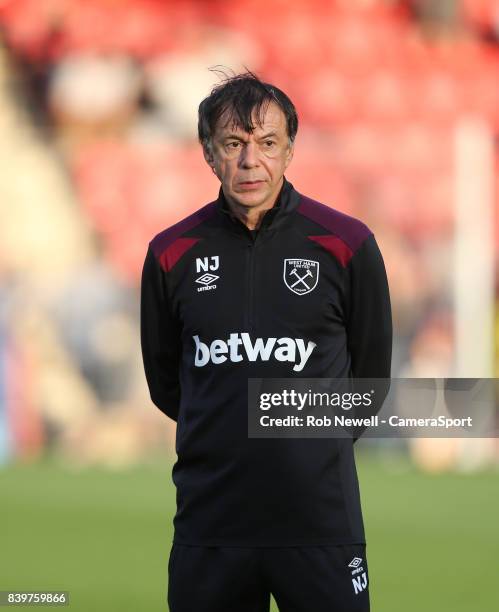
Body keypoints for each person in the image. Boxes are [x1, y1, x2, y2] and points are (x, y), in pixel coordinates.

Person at [140, 71, 392, 612]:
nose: (251, 160)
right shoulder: (170, 254)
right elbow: (168, 385)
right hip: (211, 527)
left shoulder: (347, 245)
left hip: (320, 526)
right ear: (209, 154)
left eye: (267, 143)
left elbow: (370, 384)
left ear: (290, 151)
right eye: (233, 144)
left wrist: (302, 452)